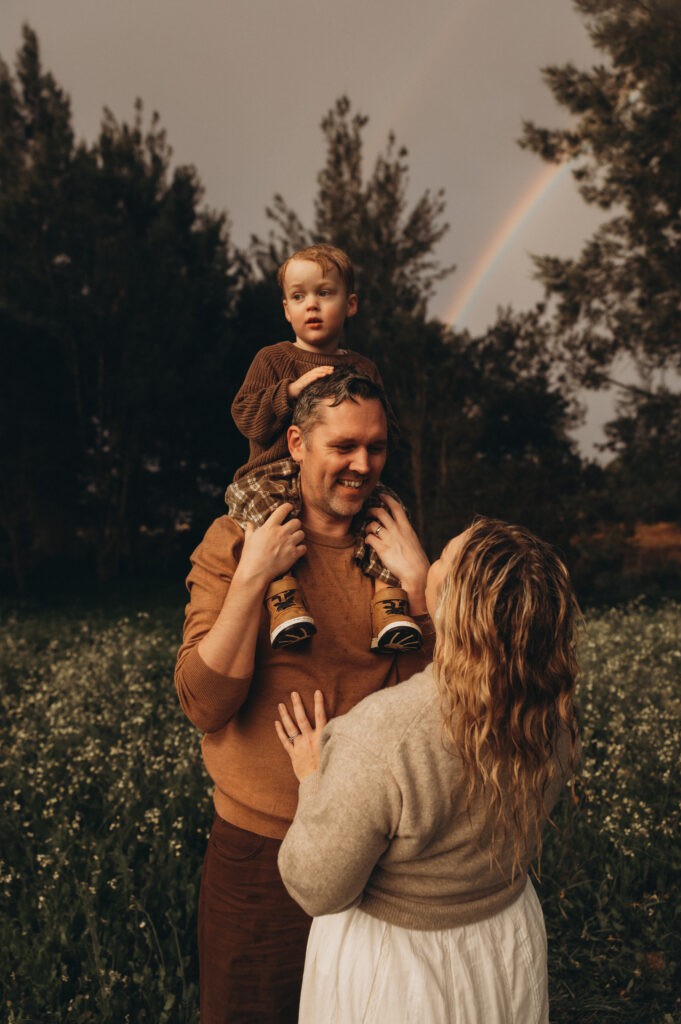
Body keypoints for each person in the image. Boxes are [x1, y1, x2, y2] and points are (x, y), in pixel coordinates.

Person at [174, 369, 434, 1024]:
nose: (361, 465)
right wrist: (253, 577)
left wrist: (426, 588)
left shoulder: (397, 553)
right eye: (342, 447)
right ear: (295, 443)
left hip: (380, 860)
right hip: (260, 853)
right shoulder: (232, 541)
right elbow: (204, 705)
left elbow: (448, 705)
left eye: (375, 448)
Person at [276, 517, 581, 1024]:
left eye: (441, 557)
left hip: (401, 970)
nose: (428, 561)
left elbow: (317, 887)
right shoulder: (552, 718)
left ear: (457, 607)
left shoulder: (381, 736)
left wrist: (314, 776)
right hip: (506, 939)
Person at [227, 243, 421, 653]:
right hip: (275, 473)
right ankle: (284, 598)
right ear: (285, 309)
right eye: (299, 297)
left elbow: (386, 427)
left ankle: (390, 606)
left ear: (350, 304)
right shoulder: (274, 359)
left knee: (388, 517)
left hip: (343, 482)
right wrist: (290, 393)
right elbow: (246, 417)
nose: (310, 305)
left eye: (324, 293)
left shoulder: (364, 368)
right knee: (267, 520)